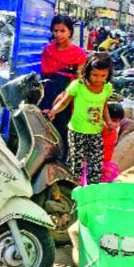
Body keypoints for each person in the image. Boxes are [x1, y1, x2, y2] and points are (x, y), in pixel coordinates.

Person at [48, 52, 115, 185]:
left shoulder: (107, 87)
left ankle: (91, 195)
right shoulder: (78, 85)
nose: (99, 79)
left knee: (95, 168)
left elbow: (104, 106)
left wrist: (109, 122)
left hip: (96, 133)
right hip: (77, 132)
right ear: (87, 71)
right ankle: (72, 194)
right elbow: (64, 102)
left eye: (103, 76)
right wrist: (54, 111)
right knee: (75, 167)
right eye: (95, 75)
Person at [40, 14, 87, 160]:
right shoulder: (48, 50)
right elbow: (44, 74)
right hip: (48, 92)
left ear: (70, 32)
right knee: (45, 125)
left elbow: (80, 78)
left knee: (62, 128)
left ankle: (60, 160)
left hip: (67, 94)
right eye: (55, 31)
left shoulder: (79, 53)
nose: (58, 34)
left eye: (62, 31)